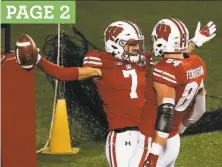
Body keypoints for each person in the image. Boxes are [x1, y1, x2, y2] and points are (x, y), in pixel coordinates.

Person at [16, 20, 215, 167]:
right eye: (131, 44)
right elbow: (67, 74)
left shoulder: (144, 61)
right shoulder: (101, 64)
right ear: (115, 44)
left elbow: (172, 60)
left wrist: (195, 42)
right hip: (122, 136)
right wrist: (39, 61)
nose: (137, 48)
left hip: (147, 134)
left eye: (137, 43)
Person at [129, 19, 216, 167]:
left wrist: (154, 155)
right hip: (173, 141)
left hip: (152, 141)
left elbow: (165, 115)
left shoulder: (164, 71)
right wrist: (180, 128)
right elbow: (200, 109)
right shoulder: (197, 63)